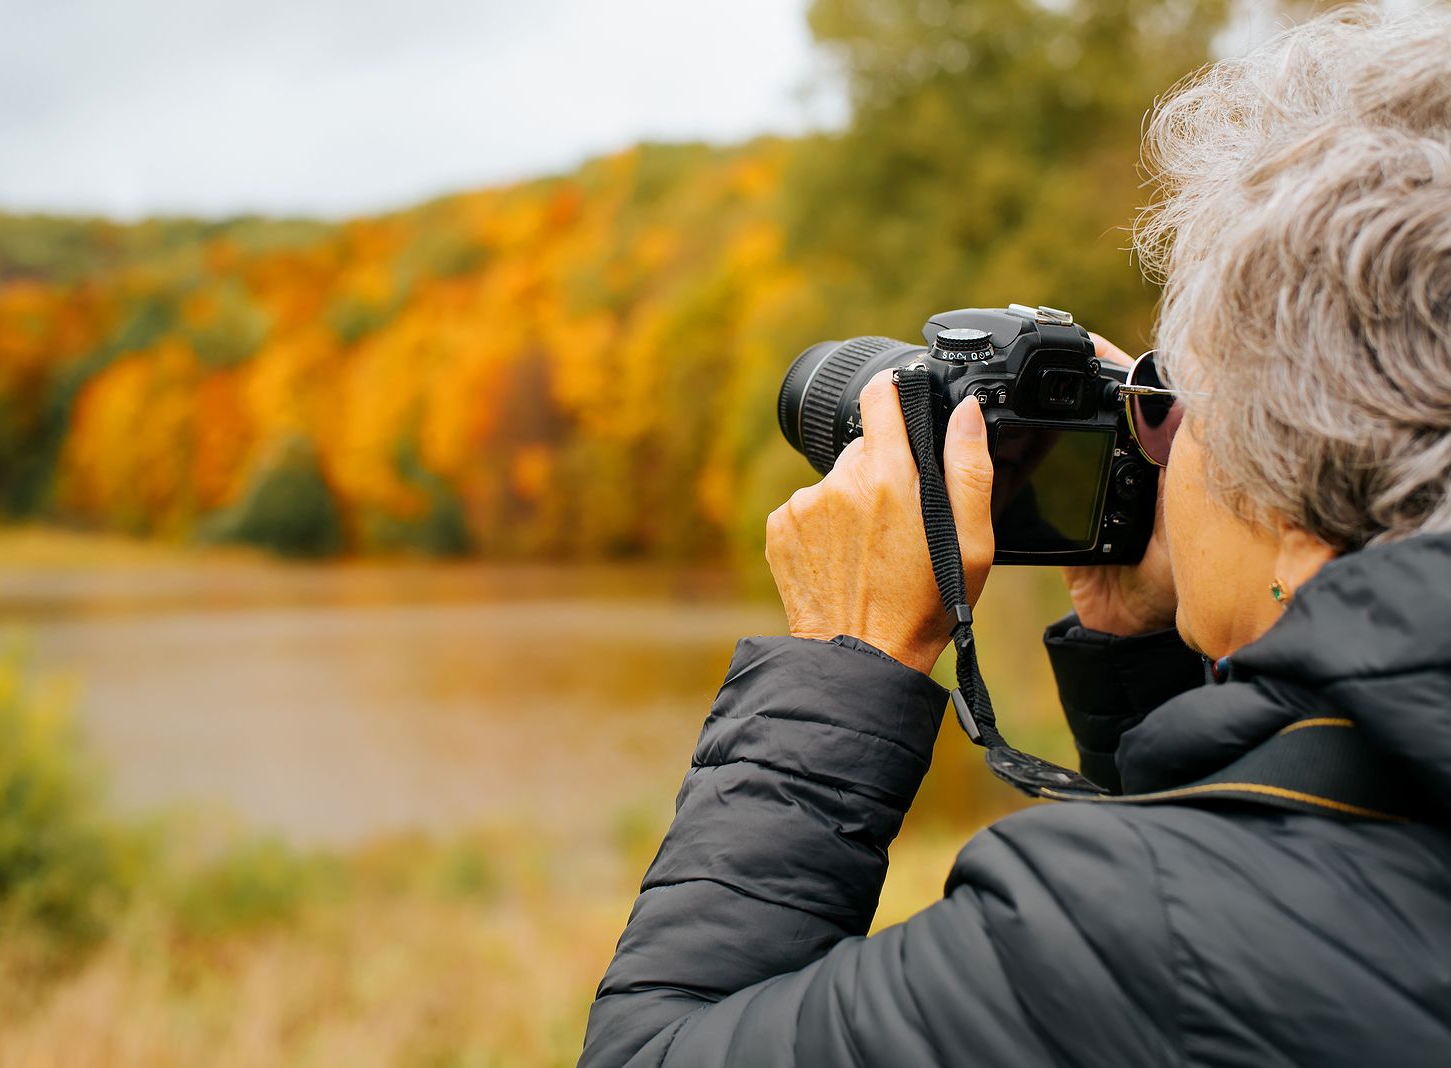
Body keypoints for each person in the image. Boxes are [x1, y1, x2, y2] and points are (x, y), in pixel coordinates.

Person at [580, 8, 1451, 1066]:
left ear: (1293, 499)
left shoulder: (1119, 938)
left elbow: (647, 1053)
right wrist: (1140, 650)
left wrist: (840, 667)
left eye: (1172, 397)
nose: (1154, 443)